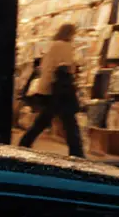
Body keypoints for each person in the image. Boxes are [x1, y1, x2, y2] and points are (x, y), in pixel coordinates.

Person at [18, 23, 84, 157]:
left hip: (55, 90)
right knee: (68, 122)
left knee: (45, 120)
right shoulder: (66, 47)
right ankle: (77, 152)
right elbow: (66, 69)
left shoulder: (54, 45)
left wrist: (43, 89)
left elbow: (47, 69)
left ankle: (25, 143)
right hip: (61, 91)